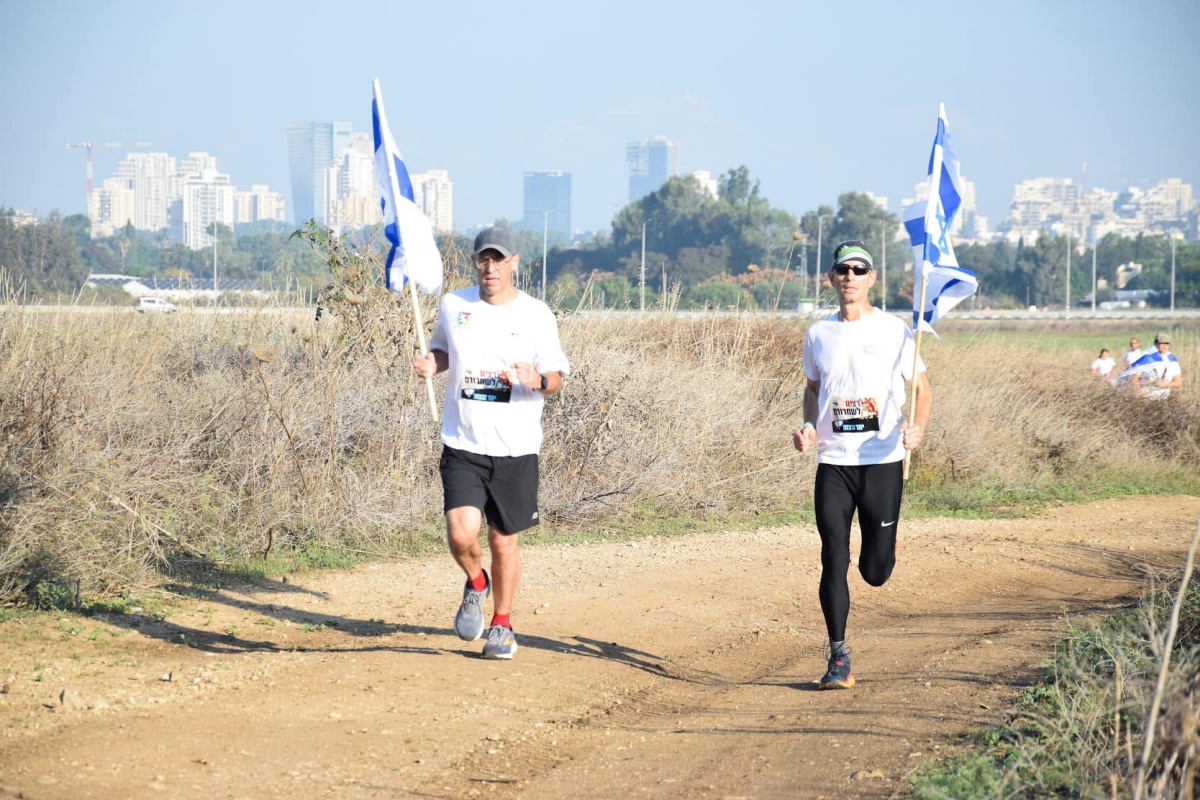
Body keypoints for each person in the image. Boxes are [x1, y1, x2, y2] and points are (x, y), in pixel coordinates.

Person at [412, 226, 570, 660]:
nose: (490, 267)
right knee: (461, 534)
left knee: (503, 541)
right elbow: (444, 352)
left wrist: (536, 380)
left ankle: (502, 624)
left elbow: (556, 376)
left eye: (499, 259)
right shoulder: (454, 304)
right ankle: (476, 581)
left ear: (514, 263)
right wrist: (432, 363)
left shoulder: (537, 314)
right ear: (475, 263)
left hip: (516, 447)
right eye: (484, 259)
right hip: (463, 441)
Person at [792, 240, 932, 690]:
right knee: (833, 557)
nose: (850, 276)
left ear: (872, 278)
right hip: (833, 462)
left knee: (873, 572)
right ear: (831, 278)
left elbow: (923, 391)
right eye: (842, 269)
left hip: (882, 461)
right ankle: (838, 657)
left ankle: (885, 548)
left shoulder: (895, 331)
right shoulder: (818, 334)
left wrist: (918, 430)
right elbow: (813, 389)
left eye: (859, 269)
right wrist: (808, 425)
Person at [1126, 332, 1182, 399]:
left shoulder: (1172, 361)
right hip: (1146, 400)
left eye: (1167, 343)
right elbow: (1134, 379)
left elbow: (1178, 383)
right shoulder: (1145, 359)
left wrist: (1165, 384)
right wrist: (1141, 394)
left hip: (1164, 400)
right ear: (1156, 344)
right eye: (1162, 343)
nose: (1164, 346)